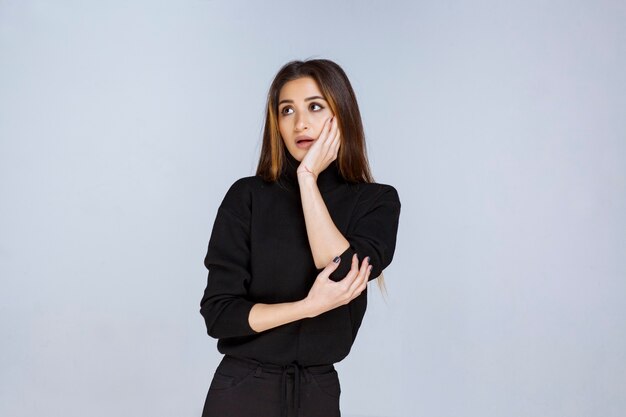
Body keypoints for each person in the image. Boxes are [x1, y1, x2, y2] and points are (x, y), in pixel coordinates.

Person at [199, 59, 401, 417]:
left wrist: (308, 178)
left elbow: (341, 272)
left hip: (317, 393)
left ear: (341, 115)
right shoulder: (247, 197)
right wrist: (308, 307)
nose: (300, 123)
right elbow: (220, 315)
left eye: (315, 106)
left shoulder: (376, 201)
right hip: (242, 390)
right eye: (286, 110)